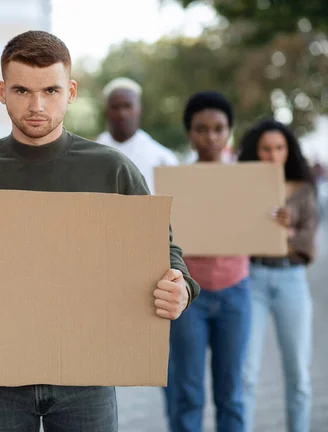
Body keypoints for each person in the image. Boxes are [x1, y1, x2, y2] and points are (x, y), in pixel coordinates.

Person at [0, 30, 200, 432]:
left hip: (87, 376)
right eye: (21, 90)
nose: (36, 105)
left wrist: (181, 287)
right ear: (1, 90)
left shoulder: (111, 169)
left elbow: (163, 249)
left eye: (50, 90)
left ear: (71, 91)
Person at [167, 91, 251, 432]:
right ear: (190, 132)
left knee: (232, 395)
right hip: (191, 297)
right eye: (201, 128)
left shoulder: (249, 181)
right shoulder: (176, 182)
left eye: (219, 128)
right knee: (186, 392)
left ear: (229, 131)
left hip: (235, 291)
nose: (211, 136)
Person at [239, 119, 318, 432]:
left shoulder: (303, 189)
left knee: (298, 372)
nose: (273, 155)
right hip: (253, 278)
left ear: (289, 150)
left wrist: (288, 231)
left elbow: (309, 239)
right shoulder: (244, 187)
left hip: (291, 280)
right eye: (266, 149)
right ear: (256, 152)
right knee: (246, 373)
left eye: (279, 148)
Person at [96, 77, 178, 193]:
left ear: (140, 110)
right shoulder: (92, 154)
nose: (122, 114)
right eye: (115, 107)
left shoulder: (162, 159)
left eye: (127, 106)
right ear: (106, 111)